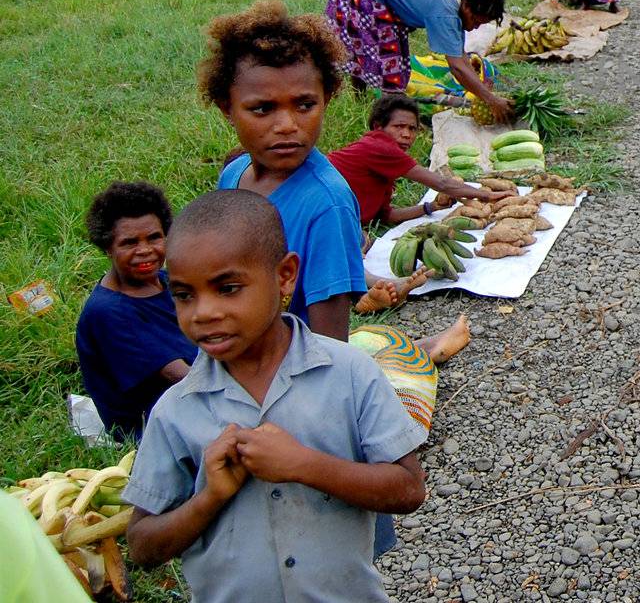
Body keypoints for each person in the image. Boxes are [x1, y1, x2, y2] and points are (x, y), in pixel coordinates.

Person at [122, 190, 428, 600]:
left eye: (227, 288)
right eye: (183, 295)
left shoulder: (349, 373)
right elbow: (142, 546)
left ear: (285, 275)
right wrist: (209, 497)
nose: (203, 312)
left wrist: (304, 465)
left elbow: (408, 489)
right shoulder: (177, 410)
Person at [201, 1, 475, 358]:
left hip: (292, 362)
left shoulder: (326, 205)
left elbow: (329, 346)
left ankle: (417, 352)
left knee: (367, 373)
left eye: (304, 105)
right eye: (263, 109)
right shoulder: (233, 175)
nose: (286, 125)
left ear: (326, 99)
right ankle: (414, 346)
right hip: (243, 344)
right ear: (227, 109)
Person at [76, 182, 197, 440]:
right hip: (155, 426)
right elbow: (179, 376)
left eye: (154, 237)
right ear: (108, 247)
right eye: (129, 243)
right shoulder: (108, 312)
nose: (145, 251)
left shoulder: (165, 281)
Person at [325, 0, 512, 118]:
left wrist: (484, 91)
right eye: (475, 21)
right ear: (468, 7)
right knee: (392, 70)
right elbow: (457, 67)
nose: (474, 28)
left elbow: (461, 57)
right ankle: (390, 121)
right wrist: (491, 100)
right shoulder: (445, 11)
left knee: (364, 49)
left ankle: (362, 103)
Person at [329, 95, 512, 228]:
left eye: (412, 128)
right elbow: (440, 182)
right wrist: (487, 195)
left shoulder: (385, 167)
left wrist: (430, 207)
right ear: (379, 127)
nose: (407, 135)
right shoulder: (380, 147)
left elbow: (387, 215)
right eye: (399, 127)